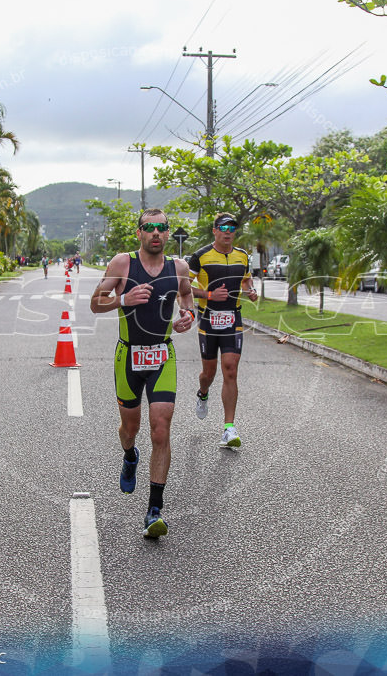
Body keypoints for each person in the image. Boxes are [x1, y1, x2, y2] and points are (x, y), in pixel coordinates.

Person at [90, 209, 196, 538]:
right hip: (128, 358)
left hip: (163, 355)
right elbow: (95, 303)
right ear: (139, 233)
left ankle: (154, 510)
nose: (156, 233)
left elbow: (187, 295)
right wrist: (124, 298)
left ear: (167, 234)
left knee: (161, 429)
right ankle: (129, 454)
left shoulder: (178, 268)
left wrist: (187, 316)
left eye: (162, 228)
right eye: (149, 228)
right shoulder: (123, 264)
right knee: (130, 428)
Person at [188, 213, 258, 448]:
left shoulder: (242, 256)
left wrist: (251, 290)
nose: (228, 231)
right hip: (208, 320)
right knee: (209, 372)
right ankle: (203, 393)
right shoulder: (200, 256)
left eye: (232, 228)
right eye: (223, 227)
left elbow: (247, 279)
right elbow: (183, 287)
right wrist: (208, 295)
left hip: (233, 319)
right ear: (215, 231)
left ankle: (229, 428)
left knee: (230, 370)